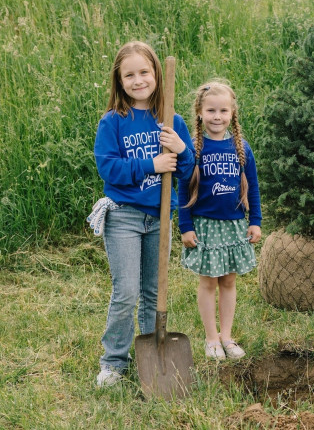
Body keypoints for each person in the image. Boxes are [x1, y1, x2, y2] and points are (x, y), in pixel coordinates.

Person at [88, 41, 195, 387]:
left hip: (160, 218)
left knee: (153, 292)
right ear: (119, 80)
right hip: (123, 216)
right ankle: (113, 362)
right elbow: (108, 168)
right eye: (129, 74)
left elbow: (188, 170)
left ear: (156, 74)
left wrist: (180, 149)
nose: (138, 80)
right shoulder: (114, 122)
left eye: (144, 72)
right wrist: (152, 163)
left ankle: (151, 356)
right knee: (126, 292)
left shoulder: (171, 119)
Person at [178, 80, 262, 361]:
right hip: (205, 226)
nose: (217, 117)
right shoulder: (193, 150)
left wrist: (255, 221)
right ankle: (211, 338)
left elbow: (253, 186)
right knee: (209, 283)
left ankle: (227, 336)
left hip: (234, 224)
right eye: (211, 110)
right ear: (200, 113)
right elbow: (183, 188)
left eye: (223, 111)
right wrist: (186, 226)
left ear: (232, 113)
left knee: (228, 282)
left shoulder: (241, 149)